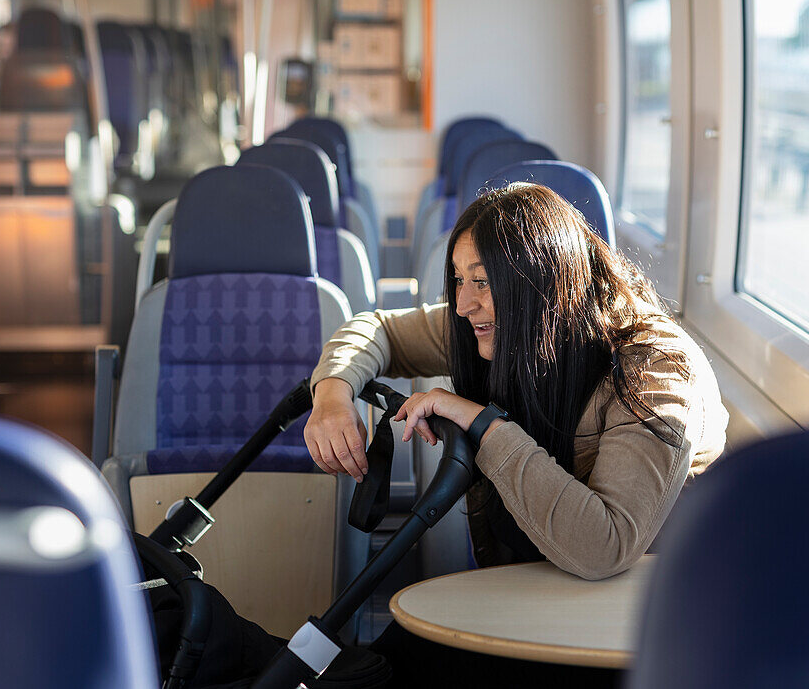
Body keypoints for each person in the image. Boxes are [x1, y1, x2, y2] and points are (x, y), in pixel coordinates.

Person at [304, 182, 728, 686]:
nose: (463, 306)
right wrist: (333, 395)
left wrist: (483, 424)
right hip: (539, 580)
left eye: (481, 282)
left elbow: (604, 546)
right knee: (379, 665)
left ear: (540, 282)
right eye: (459, 281)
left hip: (631, 625)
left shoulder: (656, 372)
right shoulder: (512, 323)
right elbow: (378, 329)